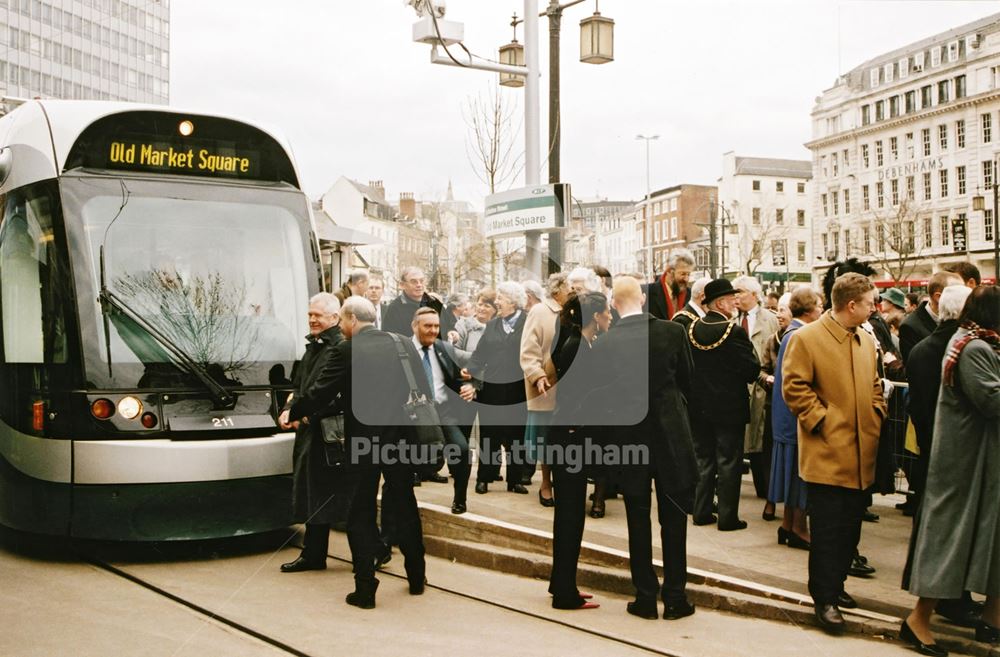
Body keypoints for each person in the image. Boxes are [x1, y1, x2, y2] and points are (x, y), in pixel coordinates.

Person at [288, 296, 433, 609]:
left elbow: (320, 392)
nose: (341, 326)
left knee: (361, 512)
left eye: (342, 321)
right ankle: (416, 575)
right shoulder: (403, 344)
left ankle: (365, 588)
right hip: (399, 442)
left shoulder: (347, 349)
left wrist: (293, 411)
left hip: (362, 443)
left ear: (352, 319)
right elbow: (422, 388)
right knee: (405, 504)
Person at [782, 272, 887, 634]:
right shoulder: (807, 338)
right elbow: (794, 387)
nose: (875, 308)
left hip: (861, 454)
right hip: (827, 453)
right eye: (871, 302)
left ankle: (836, 586)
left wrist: (876, 412)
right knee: (827, 531)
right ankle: (823, 598)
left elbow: (874, 383)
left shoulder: (862, 339)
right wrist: (822, 421)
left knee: (849, 529)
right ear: (852, 304)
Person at [904, 285, 1000, 654]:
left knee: (988, 540)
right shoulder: (974, 348)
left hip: (979, 462)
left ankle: (993, 619)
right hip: (963, 464)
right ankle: (917, 621)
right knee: (950, 542)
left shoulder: (975, 342)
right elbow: (991, 399)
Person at [599, 276, 698, 620]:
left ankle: (644, 596)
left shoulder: (606, 341)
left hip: (629, 441)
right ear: (642, 298)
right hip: (670, 436)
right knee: (674, 520)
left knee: (636, 519)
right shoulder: (672, 332)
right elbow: (688, 380)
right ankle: (675, 596)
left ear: (614, 304)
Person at [902, 284, 976, 629]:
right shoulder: (963, 349)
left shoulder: (921, 349)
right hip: (956, 449)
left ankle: (942, 599)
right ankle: (950, 600)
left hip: (930, 443)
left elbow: (918, 404)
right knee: (953, 528)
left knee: (935, 523)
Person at [547, 291, 611, 611]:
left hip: (566, 437)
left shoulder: (577, 341)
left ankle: (561, 582)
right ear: (595, 317)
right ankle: (564, 594)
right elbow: (574, 394)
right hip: (570, 439)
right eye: (606, 313)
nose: (610, 318)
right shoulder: (577, 346)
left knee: (569, 515)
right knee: (571, 516)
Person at [277, 292, 346, 573]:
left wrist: (300, 412)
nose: (312, 320)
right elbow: (300, 386)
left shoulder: (337, 347)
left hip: (326, 432)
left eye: (317, 315)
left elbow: (331, 393)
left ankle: (375, 548)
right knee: (314, 492)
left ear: (334, 317)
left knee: (329, 494)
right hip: (312, 430)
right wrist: (290, 407)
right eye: (310, 315)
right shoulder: (314, 347)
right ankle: (314, 554)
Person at [687, 279, 760, 531]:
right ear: (719, 303)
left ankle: (701, 511)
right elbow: (751, 369)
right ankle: (728, 518)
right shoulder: (734, 331)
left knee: (703, 460)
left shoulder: (692, 328)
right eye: (730, 299)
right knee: (729, 461)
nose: (735, 302)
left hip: (699, 407)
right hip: (729, 408)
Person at [768, 287, 823, 550]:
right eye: (819, 305)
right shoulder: (800, 335)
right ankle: (799, 527)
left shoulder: (790, 333)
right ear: (810, 309)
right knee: (799, 475)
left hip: (785, 415)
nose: (822, 309)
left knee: (793, 473)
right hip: (794, 418)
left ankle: (789, 525)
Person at [465, 282, 530, 494]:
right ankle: (484, 478)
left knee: (516, 436)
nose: (497, 303)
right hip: (491, 389)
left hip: (517, 390)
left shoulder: (527, 322)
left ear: (512, 301)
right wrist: (470, 373)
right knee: (489, 434)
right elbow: (480, 353)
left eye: (500, 299)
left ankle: (515, 480)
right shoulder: (493, 324)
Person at [410, 307, 477, 514]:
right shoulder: (402, 350)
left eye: (436, 326)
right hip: (411, 414)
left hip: (443, 411)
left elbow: (474, 363)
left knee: (462, 450)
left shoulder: (444, 348)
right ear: (415, 326)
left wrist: (472, 385)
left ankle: (460, 499)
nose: (432, 330)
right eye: (427, 326)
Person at [520, 273, 570, 507]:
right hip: (547, 385)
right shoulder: (540, 311)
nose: (574, 292)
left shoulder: (575, 311)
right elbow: (529, 351)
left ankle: (566, 482)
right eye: (570, 288)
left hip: (571, 387)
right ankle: (546, 483)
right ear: (557, 290)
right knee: (546, 438)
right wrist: (537, 375)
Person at [733, 275, 780, 508]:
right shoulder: (730, 319)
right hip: (737, 388)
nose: (736, 296)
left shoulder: (770, 320)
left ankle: (765, 487)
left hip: (762, 389)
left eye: (740, 291)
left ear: (754, 294)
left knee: (761, 439)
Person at [899, 271, 963, 362]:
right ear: (938, 297)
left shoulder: (961, 319)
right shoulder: (910, 327)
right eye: (960, 295)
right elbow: (914, 367)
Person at [382, 266, 443, 337]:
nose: (419, 285)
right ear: (402, 285)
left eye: (422, 281)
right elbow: (390, 338)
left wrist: (451, 333)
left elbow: (447, 327)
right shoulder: (394, 308)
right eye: (414, 282)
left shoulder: (435, 303)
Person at [645, 248, 695, 321]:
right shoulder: (649, 293)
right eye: (683, 274)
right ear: (669, 271)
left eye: (688, 274)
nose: (686, 279)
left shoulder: (691, 295)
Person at [450, 288, 497, 364]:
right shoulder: (463, 325)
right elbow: (453, 351)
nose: (482, 308)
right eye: (480, 304)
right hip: (467, 373)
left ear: (495, 310)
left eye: (487, 306)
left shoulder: (500, 327)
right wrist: (477, 357)